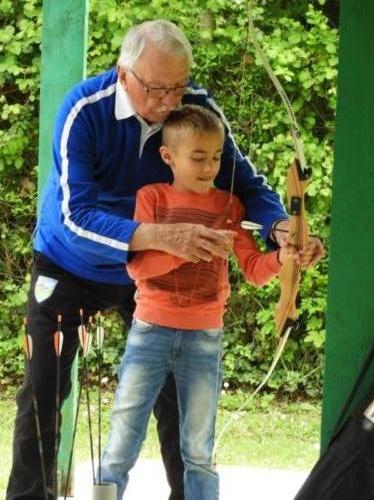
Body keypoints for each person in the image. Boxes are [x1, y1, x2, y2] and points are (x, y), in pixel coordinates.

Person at [6, 19, 324, 500]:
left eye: (179, 86)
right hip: (72, 263)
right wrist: (157, 235)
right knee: (42, 393)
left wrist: (281, 227)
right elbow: (75, 213)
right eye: (156, 88)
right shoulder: (83, 110)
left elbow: (244, 185)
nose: (169, 102)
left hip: (158, 277)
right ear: (123, 73)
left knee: (177, 400)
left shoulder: (195, 107)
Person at [100, 104, 294, 500]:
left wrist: (285, 256)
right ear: (168, 156)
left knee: (199, 448)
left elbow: (256, 271)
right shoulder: (151, 197)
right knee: (123, 437)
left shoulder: (230, 206)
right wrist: (186, 248)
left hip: (204, 337)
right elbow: (138, 270)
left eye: (217, 158)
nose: (209, 168)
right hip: (149, 331)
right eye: (198, 158)